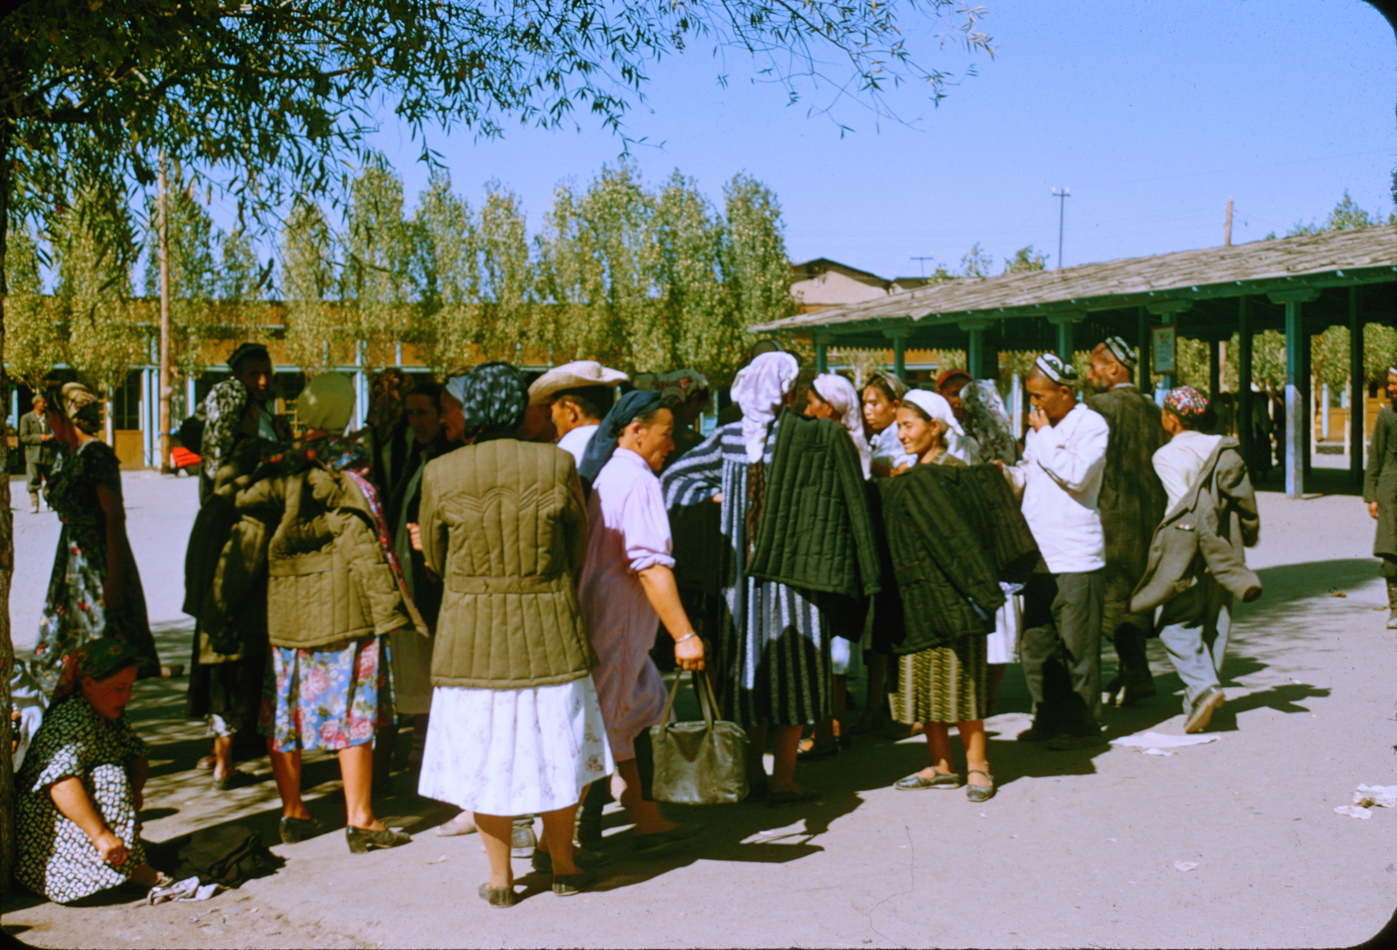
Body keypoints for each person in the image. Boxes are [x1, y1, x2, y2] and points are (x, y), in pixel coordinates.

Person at [417, 363, 612, 905]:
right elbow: (578, 543)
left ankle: (501, 878)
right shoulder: (555, 463)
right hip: (548, 626)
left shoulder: (442, 471)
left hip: (470, 638)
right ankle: (564, 864)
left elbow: (435, 556)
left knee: (487, 757)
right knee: (556, 748)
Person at [211, 371, 419, 854]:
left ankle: (293, 812)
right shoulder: (351, 465)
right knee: (354, 708)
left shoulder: (274, 462)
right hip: (345, 602)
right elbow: (370, 536)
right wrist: (389, 601)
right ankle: (361, 818)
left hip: (286, 602)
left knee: (284, 706)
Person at [662, 351, 845, 808]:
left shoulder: (725, 437)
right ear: (785, 389)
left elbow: (675, 480)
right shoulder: (805, 436)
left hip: (737, 581)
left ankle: (746, 778)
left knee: (746, 671)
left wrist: (717, 500)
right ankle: (782, 779)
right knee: (794, 669)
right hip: (794, 575)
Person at [575, 390, 708, 850]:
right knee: (604, 725)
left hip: (605, 615)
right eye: (666, 434)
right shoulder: (637, 480)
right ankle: (573, 835)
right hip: (620, 621)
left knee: (640, 713)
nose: (671, 445)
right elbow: (649, 565)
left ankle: (647, 817)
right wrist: (685, 634)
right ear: (636, 431)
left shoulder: (609, 474)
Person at [887, 390, 996, 801]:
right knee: (925, 682)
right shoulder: (907, 475)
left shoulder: (957, 472)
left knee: (961, 680)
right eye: (898, 426)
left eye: (908, 425)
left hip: (955, 595)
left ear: (935, 427)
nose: (901, 434)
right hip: (918, 595)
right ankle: (941, 764)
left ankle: (978, 766)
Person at [1134, 386, 1261, 733]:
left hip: (1188, 548)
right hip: (1226, 550)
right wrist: (1247, 536)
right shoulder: (1226, 451)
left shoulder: (1166, 455)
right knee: (1215, 621)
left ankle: (1203, 688)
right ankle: (1201, 695)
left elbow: (1182, 507)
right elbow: (1246, 505)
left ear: (1172, 419)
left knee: (1174, 624)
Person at [1004, 355, 1110, 751]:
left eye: (1040, 396)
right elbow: (1032, 476)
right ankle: (1047, 717)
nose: (1035, 406)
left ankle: (1084, 724)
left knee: (1077, 649)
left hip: (1075, 554)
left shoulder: (1091, 425)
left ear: (1064, 393)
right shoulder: (1039, 431)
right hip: (1038, 553)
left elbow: (1078, 475)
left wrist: (1045, 435)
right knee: (1036, 644)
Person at [16, 638, 167, 903]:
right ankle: (124, 869)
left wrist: (135, 791)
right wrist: (100, 835)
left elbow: (137, 754)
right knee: (108, 775)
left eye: (130, 687)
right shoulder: (71, 720)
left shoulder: (107, 712)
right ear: (88, 685)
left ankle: (124, 864)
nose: (127, 697)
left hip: (80, 827)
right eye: (119, 688)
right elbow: (62, 784)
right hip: (51, 850)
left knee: (116, 771)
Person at [33, 383, 160, 693]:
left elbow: (114, 519)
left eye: (50, 413)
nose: (48, 420)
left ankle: (102, 722)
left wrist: (115, 578)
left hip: (97, 561)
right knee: (69, 648)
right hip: (71, 559)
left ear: (63, 415)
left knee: (99, 649)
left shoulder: (96, 455)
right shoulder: (67, 453)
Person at [1084, 336, 1169, 707]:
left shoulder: (1099, 407)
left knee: (1113, 596)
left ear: (1113, 368)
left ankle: (1136, 672)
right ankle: (1133, 668)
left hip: (1109, 516)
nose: (1089, 375)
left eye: (1093, 367)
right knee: (1136, 591)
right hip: (1148, 514)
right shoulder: (1153, 409)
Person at [380, 381, 456, 792]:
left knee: (435, 667)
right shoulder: (416, 456)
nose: (417, 422)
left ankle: (430, 753)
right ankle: (422, 747)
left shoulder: (445, 459)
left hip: (433, 582)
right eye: (411, 414)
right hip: (411, 578)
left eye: (424, 413)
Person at [800, 373, 871, 756]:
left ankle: (826, 732)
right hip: (848, 561)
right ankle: (834, 728)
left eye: (812, 403)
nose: (807, 410)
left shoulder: (829, 445)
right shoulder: (858, 444)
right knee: (837, 652)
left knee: (826, 648)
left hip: (829, 559)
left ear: (828, 407)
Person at [960, 379, 1025, 711]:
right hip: (1007, 533)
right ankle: (991, 691)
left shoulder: (968, 444)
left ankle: (979, 690)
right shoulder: (1011, 443)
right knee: (1003, 610)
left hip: (980, 534)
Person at [527, 359, 628, 468]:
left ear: (571, 411)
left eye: (552, 409)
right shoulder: (624, 448)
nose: (552, 416)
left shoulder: (561, 455)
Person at [1366, 364, 1397, 629]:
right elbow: (1375, 457)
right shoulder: (1386, 416)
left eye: (1394, 383)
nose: (1390, 387)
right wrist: (1372, 496)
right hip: (1390, 494)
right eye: (1390, 382)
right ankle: (1395, 609)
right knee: (1391, 552)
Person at [657, 368, 712, 464]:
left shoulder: (650, 433)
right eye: (700, 407)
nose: (697, 414)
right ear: (694, 399)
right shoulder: (693, 442)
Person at [20, 394, 59, 513]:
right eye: (43, 403)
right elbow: (24, 437)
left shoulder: (48, 418)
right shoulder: (26, 418)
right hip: (34, 455)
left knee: (52, 480)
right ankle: (34, 504)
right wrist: (40, 437)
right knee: (33, 480)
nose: (45, 405)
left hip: (49, 455)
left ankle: (51, 502)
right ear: (36, 403)